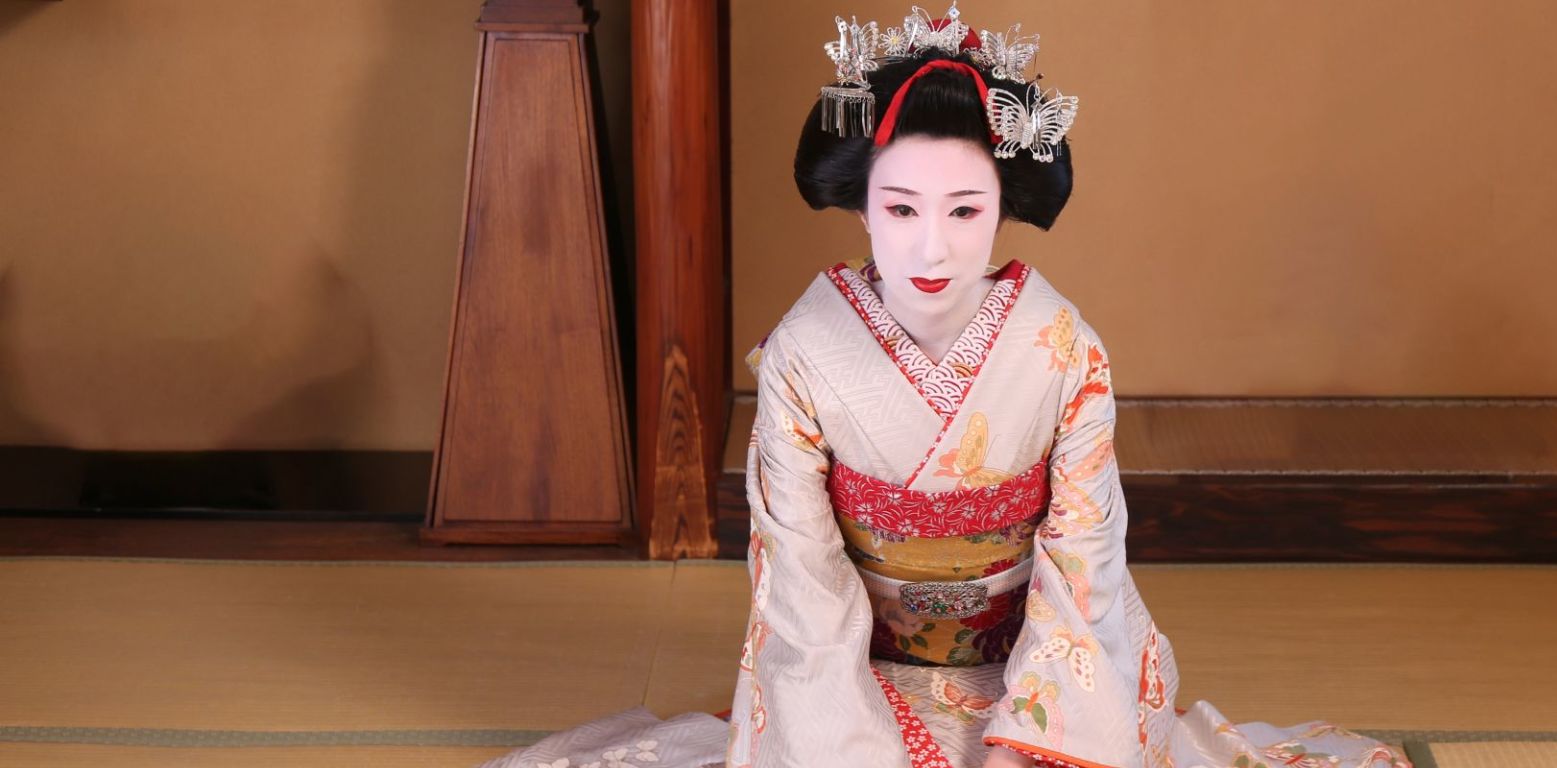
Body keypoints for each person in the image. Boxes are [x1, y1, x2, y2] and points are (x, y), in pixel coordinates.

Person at [478, 4, 1413, 767]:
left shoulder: (1062, 352)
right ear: (860, 205)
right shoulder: (806, 356)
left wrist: (1032, 744)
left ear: (1005, 203)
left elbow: (1086, 565)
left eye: (966, 209)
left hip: (1035, 672)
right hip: (859, 668)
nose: (934, 244)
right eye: (900, 207)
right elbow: (798, 582)